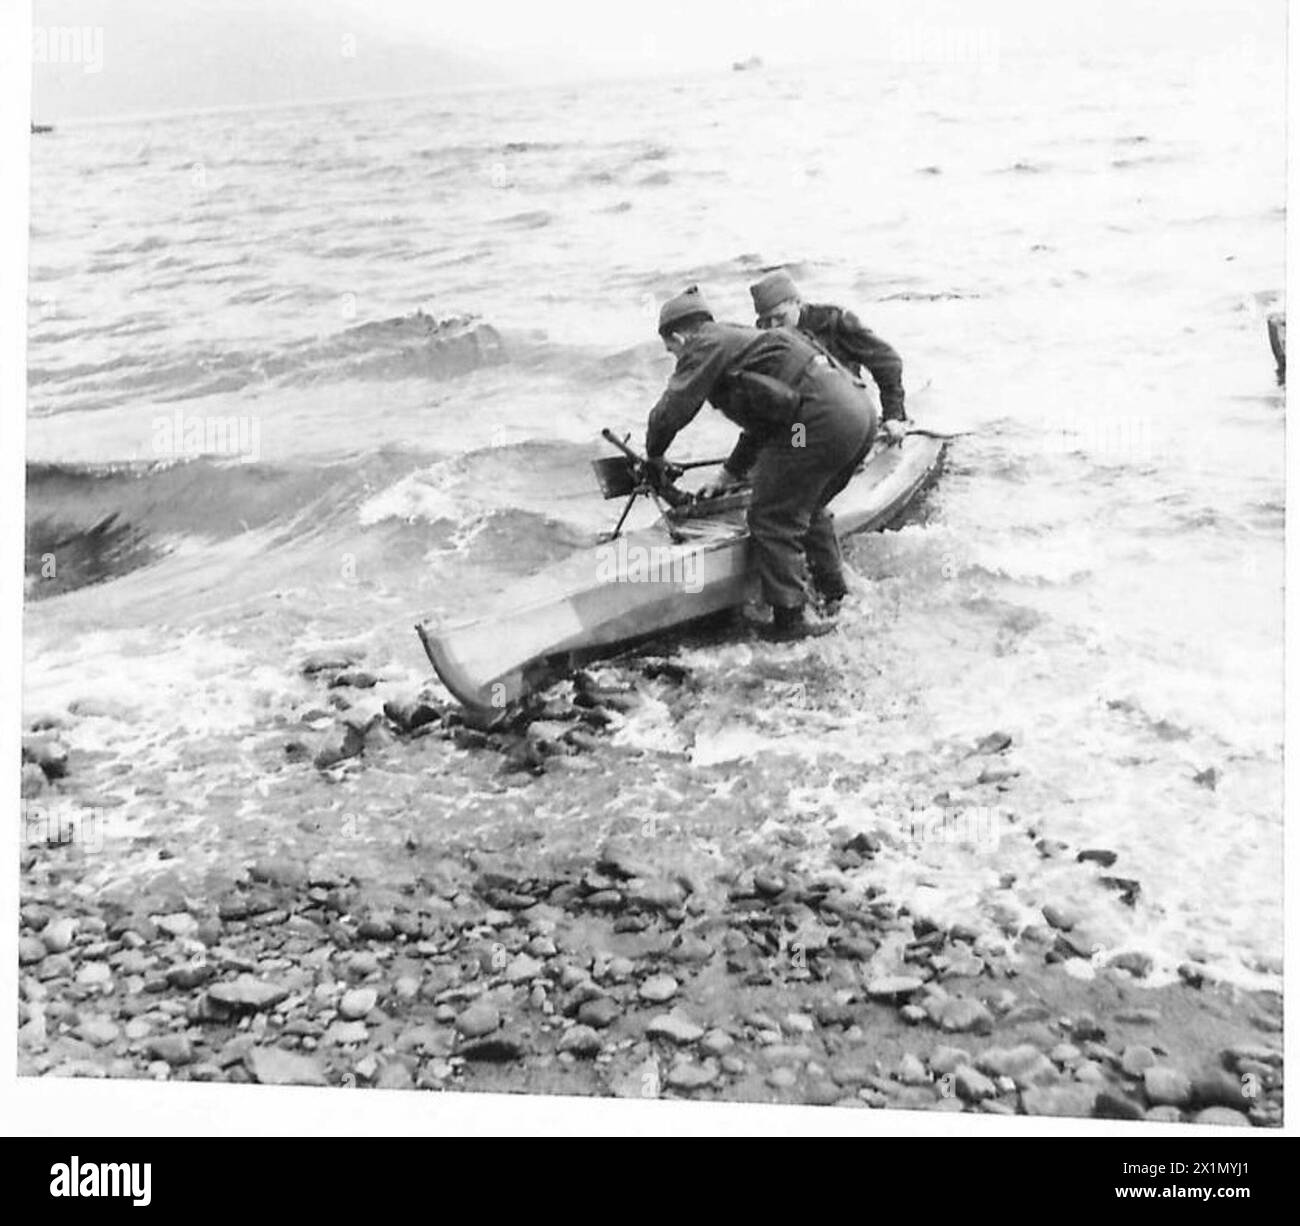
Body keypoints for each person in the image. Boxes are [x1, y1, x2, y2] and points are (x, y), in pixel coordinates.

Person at [645, 286, 878, 639]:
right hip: (847, 415)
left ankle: (791, 620)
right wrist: (730, 473)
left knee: (771, 515)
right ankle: (835, 596)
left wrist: (654, 454)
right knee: (804, 501)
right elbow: (769, 423)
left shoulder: (704, 344)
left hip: (819, 421)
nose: (676, 357)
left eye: (671, 350)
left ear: (679, 337)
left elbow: (673, 408)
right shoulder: (742, 341)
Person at [750, 269, 909, 432]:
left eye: (780, 317)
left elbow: (888, 361)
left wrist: (893, 416)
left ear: (797, 302)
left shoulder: (834, 321)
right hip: (801, 422)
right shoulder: (764, 336)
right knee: (792, 443)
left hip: (847, 414)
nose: (774, 326)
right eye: (766, 321)